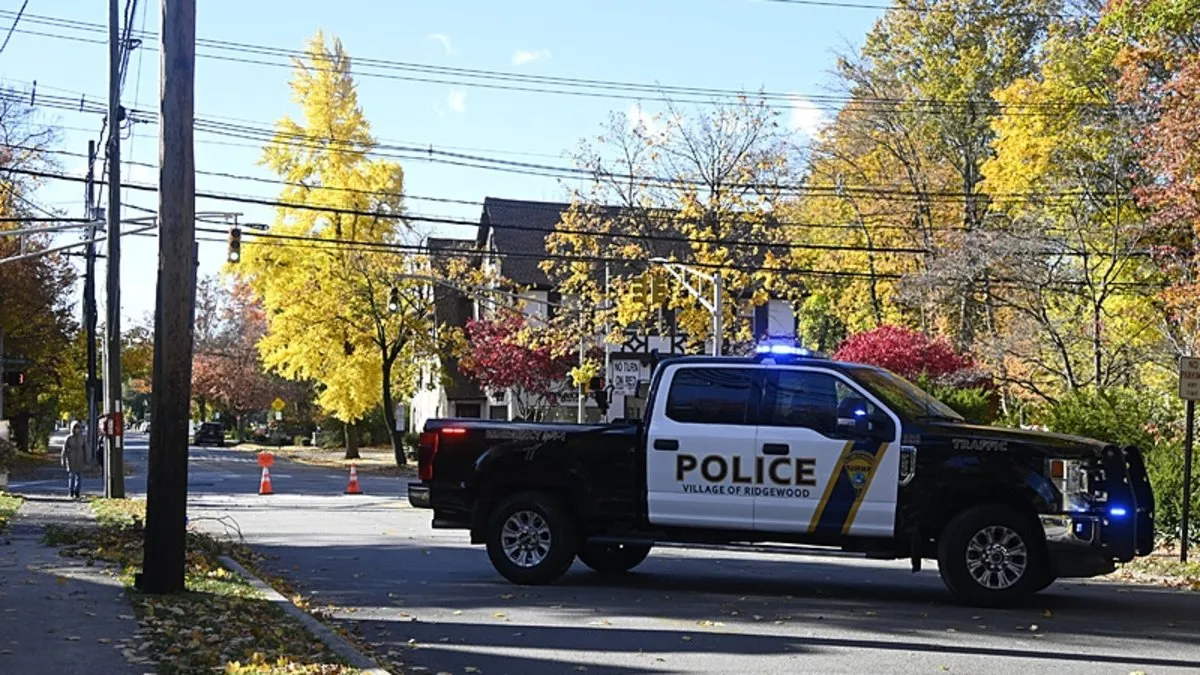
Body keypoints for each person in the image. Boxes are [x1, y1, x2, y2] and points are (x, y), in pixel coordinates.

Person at [61, 421, 88, 499]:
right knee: (71, 476)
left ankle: (77, 492)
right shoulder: (69, 438)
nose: (77, 430)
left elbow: (85, 449)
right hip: (71, 459)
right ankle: (71, 492)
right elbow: (64, 450)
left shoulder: (82, 438)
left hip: (80, 459)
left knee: (79, 477)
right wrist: (63, 459)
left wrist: (86, 459)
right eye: (75, 428)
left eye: (78, 428)